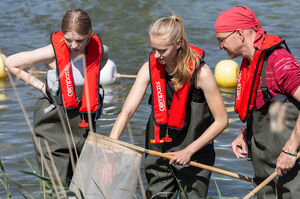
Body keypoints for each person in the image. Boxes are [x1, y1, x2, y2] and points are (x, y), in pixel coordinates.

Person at [110, 15, 228, 198]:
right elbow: (127, 110)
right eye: (153, 49)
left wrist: (189, 151)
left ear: (178, 43)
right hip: (159, 150)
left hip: (194, 153)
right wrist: (112, 143)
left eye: (162, 50)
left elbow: (222, 121)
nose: (157, 55)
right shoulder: (149, 67)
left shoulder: (201, 73)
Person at [5, 9, 108, 185]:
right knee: (56, 185)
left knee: (83, 183)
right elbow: (11, 63)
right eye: (69, 40)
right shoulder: (51, 53)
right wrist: (40, 86)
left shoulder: (101, 51)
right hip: (53, 126)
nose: (74, 45)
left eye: (80, 40)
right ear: (62, 34)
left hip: (83, 125)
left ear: (89, 34)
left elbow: (97, 71)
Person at [215, 5, 300, 198]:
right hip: (266, 173)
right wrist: (246, 136)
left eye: (222, 40)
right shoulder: (249, 64)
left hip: (292, 170)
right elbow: (265, 109)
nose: (219, 47)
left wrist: (291, 149)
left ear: (239, 34)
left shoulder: (278, 61)